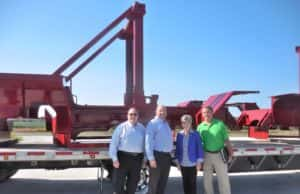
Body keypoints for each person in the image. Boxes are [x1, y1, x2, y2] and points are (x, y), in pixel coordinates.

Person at [197, 106, 233, 194]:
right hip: (206, 155)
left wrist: (231, 154)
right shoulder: (200, 127)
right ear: (202, 114)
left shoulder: (220, 124)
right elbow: (198, 143)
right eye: (204, 112)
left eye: (208, 112)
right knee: (207, 179)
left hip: (219, 155)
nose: (206, 114)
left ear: (212, 113)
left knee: (223, 178)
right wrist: (198, 158)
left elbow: (227, 140)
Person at [109, 107, 146, 194]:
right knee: (118, 184)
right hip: (122, 158)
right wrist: (114, 159)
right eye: (131, 114)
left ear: (138, 116)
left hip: (137, 159)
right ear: (127, 116)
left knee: (133, 183)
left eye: (135, 114)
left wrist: (145, 159)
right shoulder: (121, 127)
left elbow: (145, 144)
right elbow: (114, 144)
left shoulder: (142, 128)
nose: (133, 116)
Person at [145, 105, 173, 194]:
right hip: (157, 156)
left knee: (163, 183)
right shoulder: (152, 123)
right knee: (153, 184)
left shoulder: (166, 124)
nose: (162, 113)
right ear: (156, 112)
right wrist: (151, 158)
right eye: (160, 111)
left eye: (164, 111)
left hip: (166, 157)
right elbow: (148, 142)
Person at [175, 114, 204, 194]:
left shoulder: (196, 134)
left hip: (192, 164)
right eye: (184, 122)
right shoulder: (179, 135)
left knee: (192, 184)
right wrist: (177, 163)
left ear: (191, 123)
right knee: (185, 184)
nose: (186, 124)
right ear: (182, 124)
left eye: (188, 122)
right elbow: (177, 149)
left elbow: (199, 149)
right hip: (183, 163)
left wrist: (199, 163)